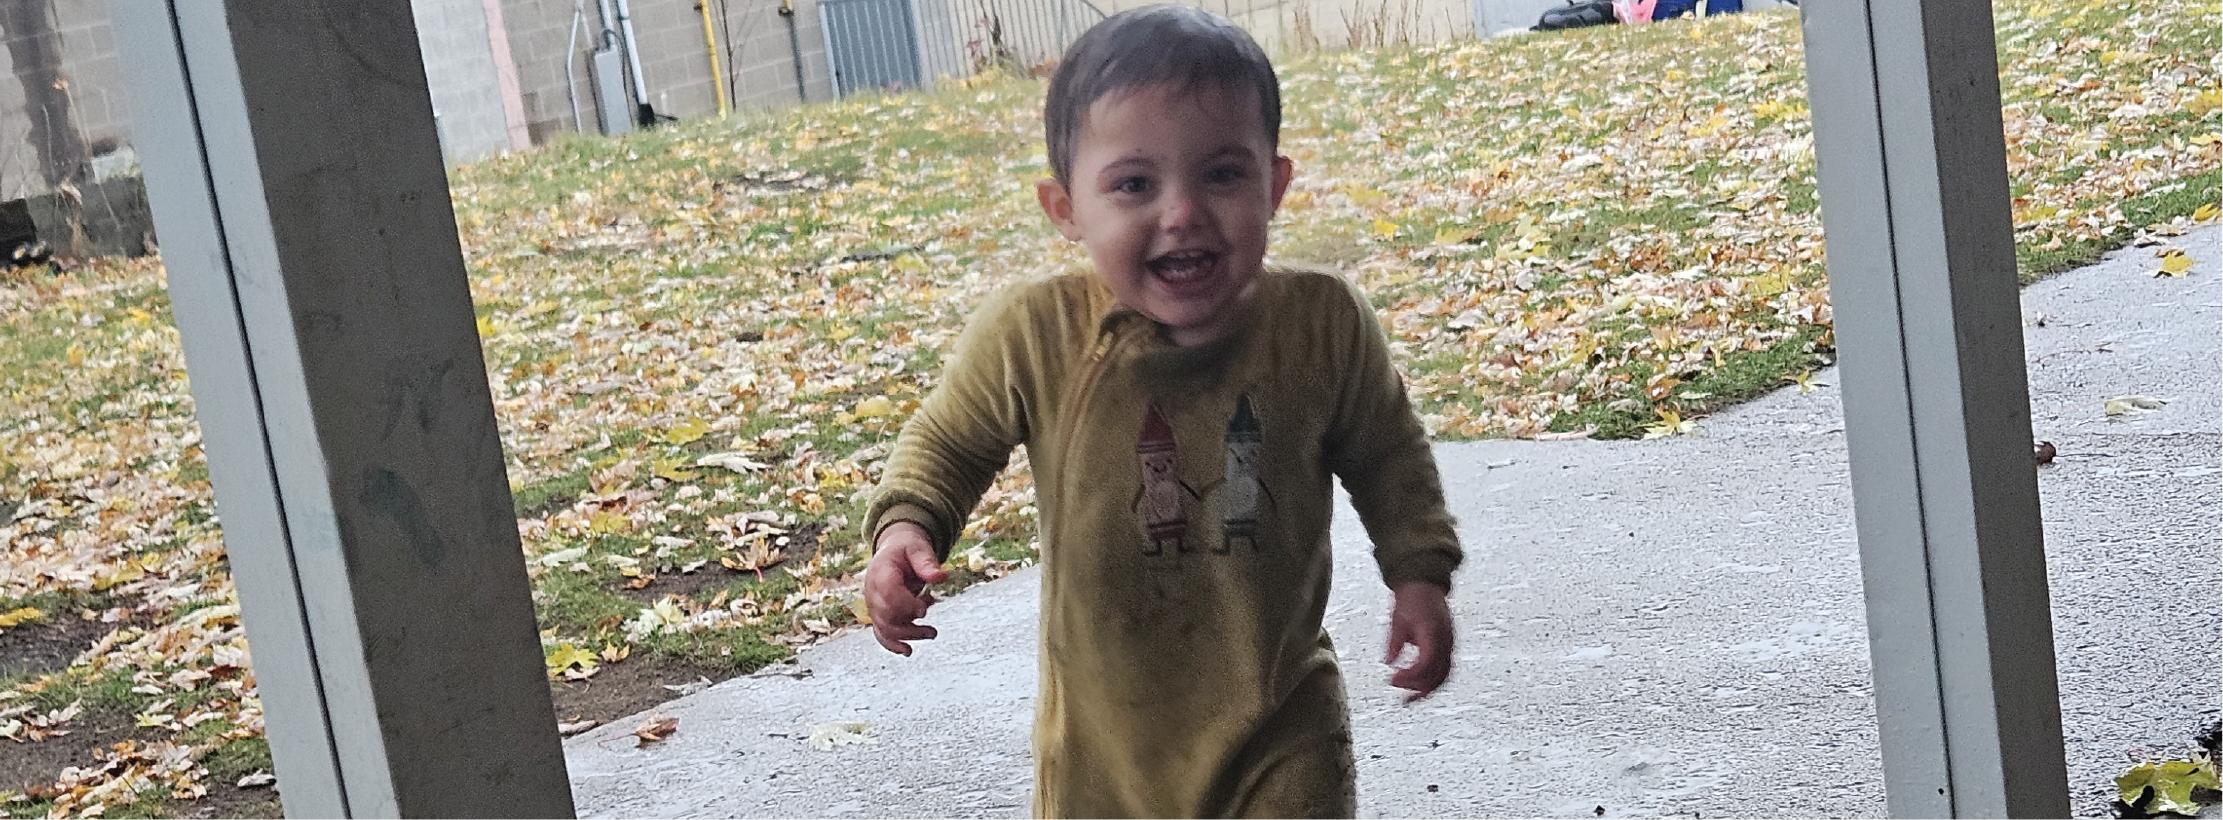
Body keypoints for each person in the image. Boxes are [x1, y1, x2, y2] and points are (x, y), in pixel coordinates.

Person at [860, 5, 1464, 817]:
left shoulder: (1320, 327)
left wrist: (1419, 573)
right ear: (1066, 209)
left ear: (1274, 185)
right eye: (1134, 184)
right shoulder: (1034, 336)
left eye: (1221, 173)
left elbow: (1388, 454)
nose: (1180, 212)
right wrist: (906, 531)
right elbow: (948, 443)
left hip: (1280, 723)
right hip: (1101, 749)